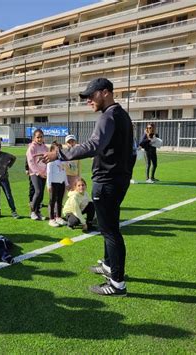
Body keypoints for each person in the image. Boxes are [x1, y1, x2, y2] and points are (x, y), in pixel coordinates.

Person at [43, 78, 135, 297]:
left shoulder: (109, 116)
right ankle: (109, 266)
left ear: (105, 93)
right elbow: (131, 153)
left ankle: (117, 284)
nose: (88, 102)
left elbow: (94, 145)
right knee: (108, 228)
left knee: (111, 232)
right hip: (117, 180)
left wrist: (59, 154)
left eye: (90, 96)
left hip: (107, 182)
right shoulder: (123, 115)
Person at [26, 129, 48, 220]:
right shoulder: (32, 147)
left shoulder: (45, 147)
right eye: (37, 137)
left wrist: (46, 172)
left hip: (44, 173)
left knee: (41, 193)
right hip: (34, 173)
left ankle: (38, 212)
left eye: (41, 137)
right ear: (34, 138)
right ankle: (32, 212)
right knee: (38, 191)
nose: (39, 139)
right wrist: (38, 173)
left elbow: (47, 161)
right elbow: (30, 162)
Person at [46, 142, 68, 227]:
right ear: (51, 151)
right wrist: (49, 185)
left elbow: (64, 173)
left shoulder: (62, 161)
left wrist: (66, 183)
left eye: (60, 150)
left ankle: (58, 217)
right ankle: (51, 219)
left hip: (61, 183)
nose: (58, 152)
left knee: (59, 200)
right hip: (53, 184)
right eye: (56, 150)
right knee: (52, 201)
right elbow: (49, 174)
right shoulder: (50, 163)